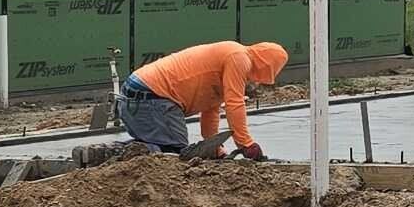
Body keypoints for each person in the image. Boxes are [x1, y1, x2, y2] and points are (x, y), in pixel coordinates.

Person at [117, 41, 289, 158]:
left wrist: (215, 148)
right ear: (266, 66)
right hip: (153, 97)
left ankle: (113, 152)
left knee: (159, 146)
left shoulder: (229, 57)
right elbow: (235, 103)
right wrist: (246, 143)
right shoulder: (239, 58)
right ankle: (111, 152)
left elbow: (210, 110)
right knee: (174, 155)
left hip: (137, 95)